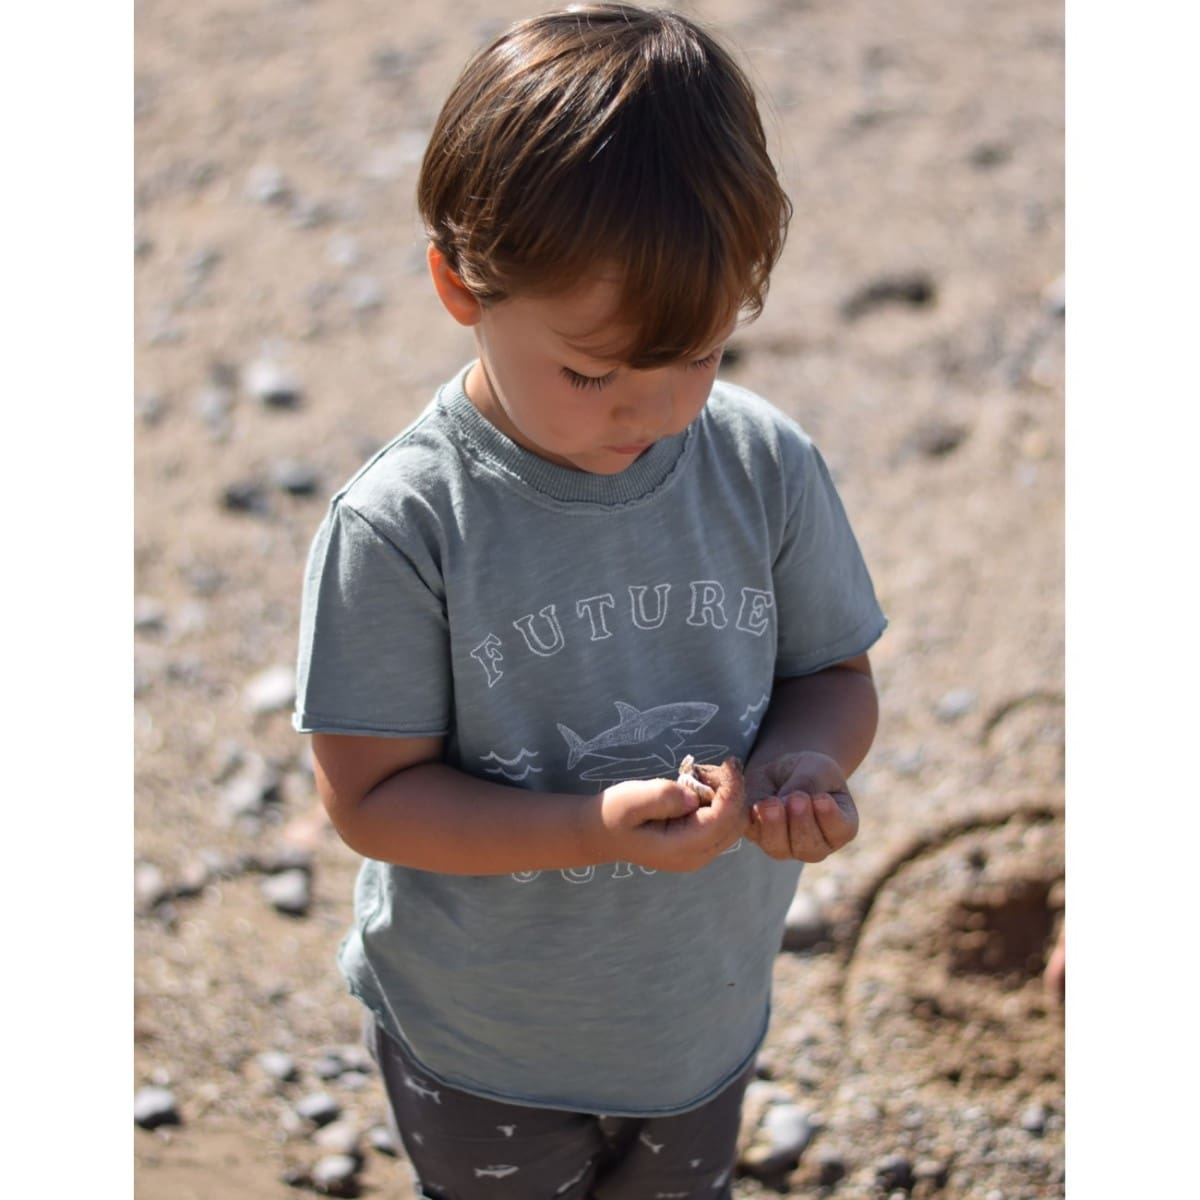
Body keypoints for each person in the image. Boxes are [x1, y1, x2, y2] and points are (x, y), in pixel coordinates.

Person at [293, 5, 887, 1196]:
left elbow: (830, 676)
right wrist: (581, 830)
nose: (657, 412)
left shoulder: (761, 464)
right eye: (594, 370)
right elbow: (370, 799)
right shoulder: (407, 527)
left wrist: (797, 769)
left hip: (701, 1019)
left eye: (705, 354)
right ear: (459, 286)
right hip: (485, 1048)